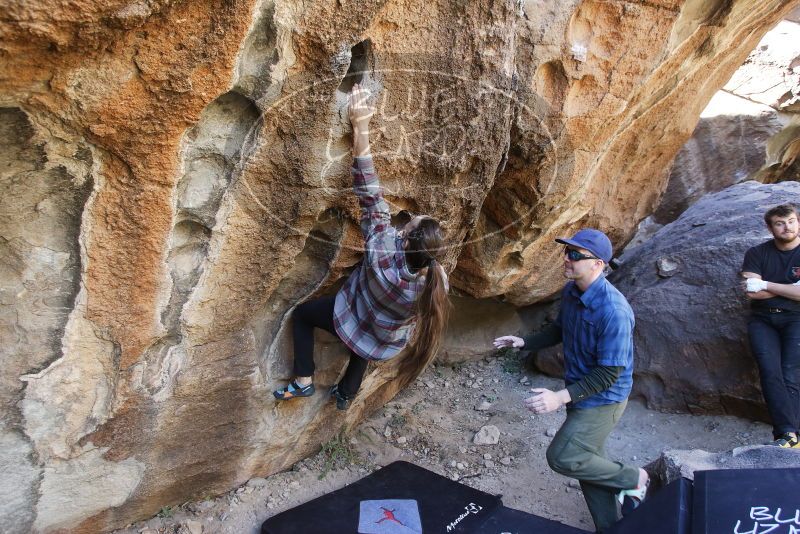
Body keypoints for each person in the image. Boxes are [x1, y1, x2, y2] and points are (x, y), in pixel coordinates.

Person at [273, 83, 449, 410]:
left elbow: (368, 190)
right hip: (384, 340)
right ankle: (346, 393)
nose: (403, 222)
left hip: (355, 318)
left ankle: (303, 381)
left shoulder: (383, 246)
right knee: (369, 339)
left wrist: (361, 125)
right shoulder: (437, 278)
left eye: (407, 223)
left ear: (406, 239)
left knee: (302, 316)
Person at [494, 229, 647, 533]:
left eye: (576, 255)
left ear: (598, 264)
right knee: (589, 465)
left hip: (604, 399)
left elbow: (608, 373)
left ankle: (634, 478)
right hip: (582, 391)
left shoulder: (614, 311)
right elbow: (559, 330)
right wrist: (524, 342)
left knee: (564, 456)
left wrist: (559, 397)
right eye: (567, 252)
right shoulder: (572, 291)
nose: (567, 258)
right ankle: (610, 527)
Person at [742, 203, 800, 448]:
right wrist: (790, 289)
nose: (786, 227)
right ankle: (787, 434)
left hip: (796, 319)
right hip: (762, 320)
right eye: (779, 222)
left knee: (790, 373)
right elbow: (751, 292)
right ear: (770, 227)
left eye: (791, 221)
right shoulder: (757, 253)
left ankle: (791, 433)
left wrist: (765, 284)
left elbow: (760, 287)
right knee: (770, 373)